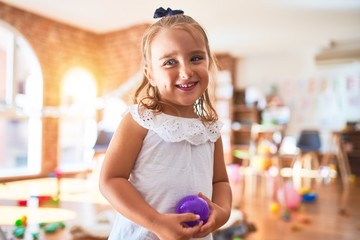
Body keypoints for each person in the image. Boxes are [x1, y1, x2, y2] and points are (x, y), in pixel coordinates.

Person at [99, 7, 232, 240]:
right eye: (170, 62)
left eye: (196, 58)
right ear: (150, 74)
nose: (186, 71)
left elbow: (220, 181)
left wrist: (223, 212)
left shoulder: (210, 128)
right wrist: (156, 222)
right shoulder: (140, 119)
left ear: (208, 62)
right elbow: (110, 180)